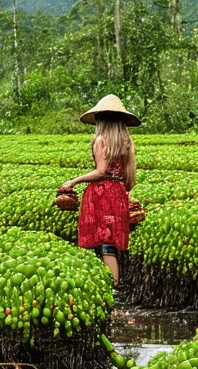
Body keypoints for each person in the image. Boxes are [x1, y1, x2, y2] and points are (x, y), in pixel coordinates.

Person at [58, 94, 139, 286]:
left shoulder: (100, 140)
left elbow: (101, 172)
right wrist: (123, 195)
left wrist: (74, 181)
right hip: (119, 193)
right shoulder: (127, 143)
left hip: (100, 195)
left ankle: (113, 284)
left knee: (104, 244)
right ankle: (113, 281)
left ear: (100, 119)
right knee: (111, 243)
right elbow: (130, 178)